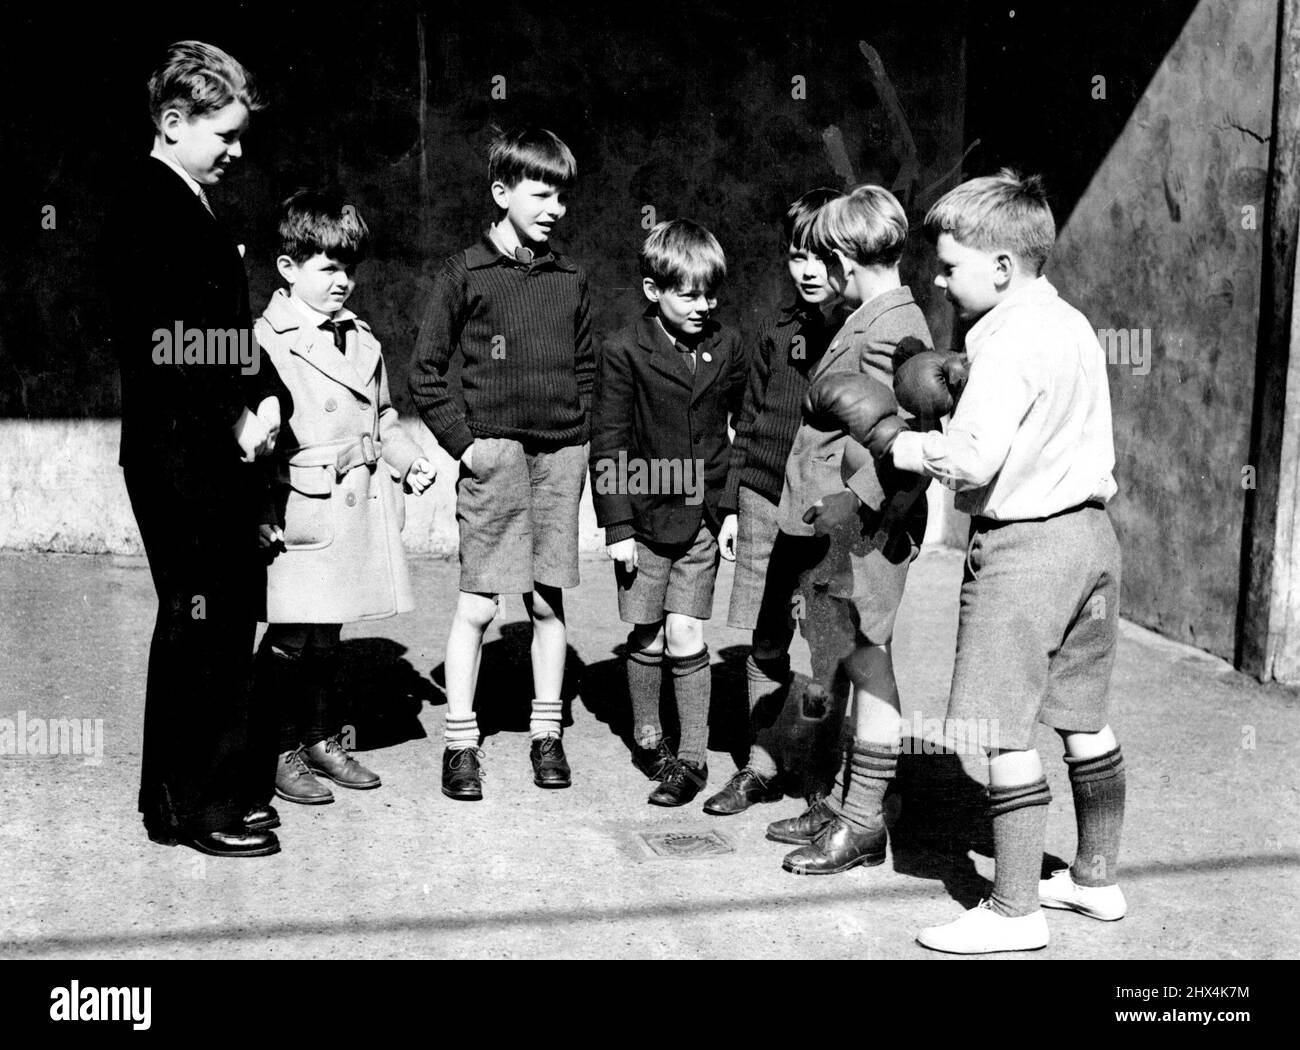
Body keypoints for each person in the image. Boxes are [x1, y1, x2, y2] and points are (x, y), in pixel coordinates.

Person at [820, 170, 1126, 953]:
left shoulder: (1007, 338)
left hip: (1025, 550)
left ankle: (1014, 910)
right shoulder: (1072, 325)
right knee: (1082, 719)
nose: (937, 279)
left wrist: (894, 436)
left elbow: (974, 459)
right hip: (1092, 540)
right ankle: (1095, 879)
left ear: (1001, 267)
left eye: (950, 266)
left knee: (1001, 728)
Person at [106, 40, 289, 857]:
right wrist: (236, 420)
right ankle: (190, 809)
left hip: (208, 456)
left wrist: (268, 391)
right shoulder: (147, 205)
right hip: (183, 458)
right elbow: (161, 346)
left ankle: (202, 789)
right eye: (225, 135)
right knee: (200, 624)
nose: (237, 151)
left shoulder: (186, 202)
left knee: (220, 624)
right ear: (174, 123)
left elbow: (224, 334)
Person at [410, 128, 593, 800]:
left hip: (560, 457)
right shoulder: (465, 273)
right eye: (541, 194)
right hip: (496, 458)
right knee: (480, 606)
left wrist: (580, 441)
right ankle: (461, 741)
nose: (556, 209)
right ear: (502, 192)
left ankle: (548, 733)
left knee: (547, 603)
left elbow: (588, 368)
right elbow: (425, 371)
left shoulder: (570, 278)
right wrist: (467, 444)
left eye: (561, 197)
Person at [762, 186, 934, 876]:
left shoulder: (895, 326)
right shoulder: (870, 313)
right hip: (845, 524)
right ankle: (839, 801)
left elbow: (912, 441)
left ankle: (862, 822)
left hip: (866, 528)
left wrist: (851, 513)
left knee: (868, 664)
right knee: (843, 656)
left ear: (843, 255)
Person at [253, 191, 435, 807]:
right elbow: (253, 437)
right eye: (327, 268)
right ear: (288, 269)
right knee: (290, 637)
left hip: (355, 504)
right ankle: (274, 748)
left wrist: (409, 462)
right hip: (303, 508)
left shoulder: (361, 338)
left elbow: (383, 414)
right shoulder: (266, 340)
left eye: (348, 269)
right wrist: (256, 512)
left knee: (327, 634)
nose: (343, 283)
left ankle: (322, 739)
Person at [590, 218, 747, 807]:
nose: (704, 305)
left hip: (701, 518)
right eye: (689, 294)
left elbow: (739, 428)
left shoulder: (727, 346)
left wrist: (728, 508)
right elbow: (609, 440)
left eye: (711, 294)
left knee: (686, 633)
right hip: (645, 517)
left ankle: (693, 759)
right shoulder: (623, 349)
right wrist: (618, 526)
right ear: (654, 290)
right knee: (648, 635)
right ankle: (648, 735)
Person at [704, 187, 845, 816]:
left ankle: (819, 785)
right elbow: (752, 417)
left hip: (827, 512)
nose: (809, 271)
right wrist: (735, 504)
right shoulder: (777, 331)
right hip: (764, 498)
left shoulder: (859, 335)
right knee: (765, 640)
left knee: (827, 650)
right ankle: (759, 766)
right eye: (797, 257)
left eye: (823, 256)